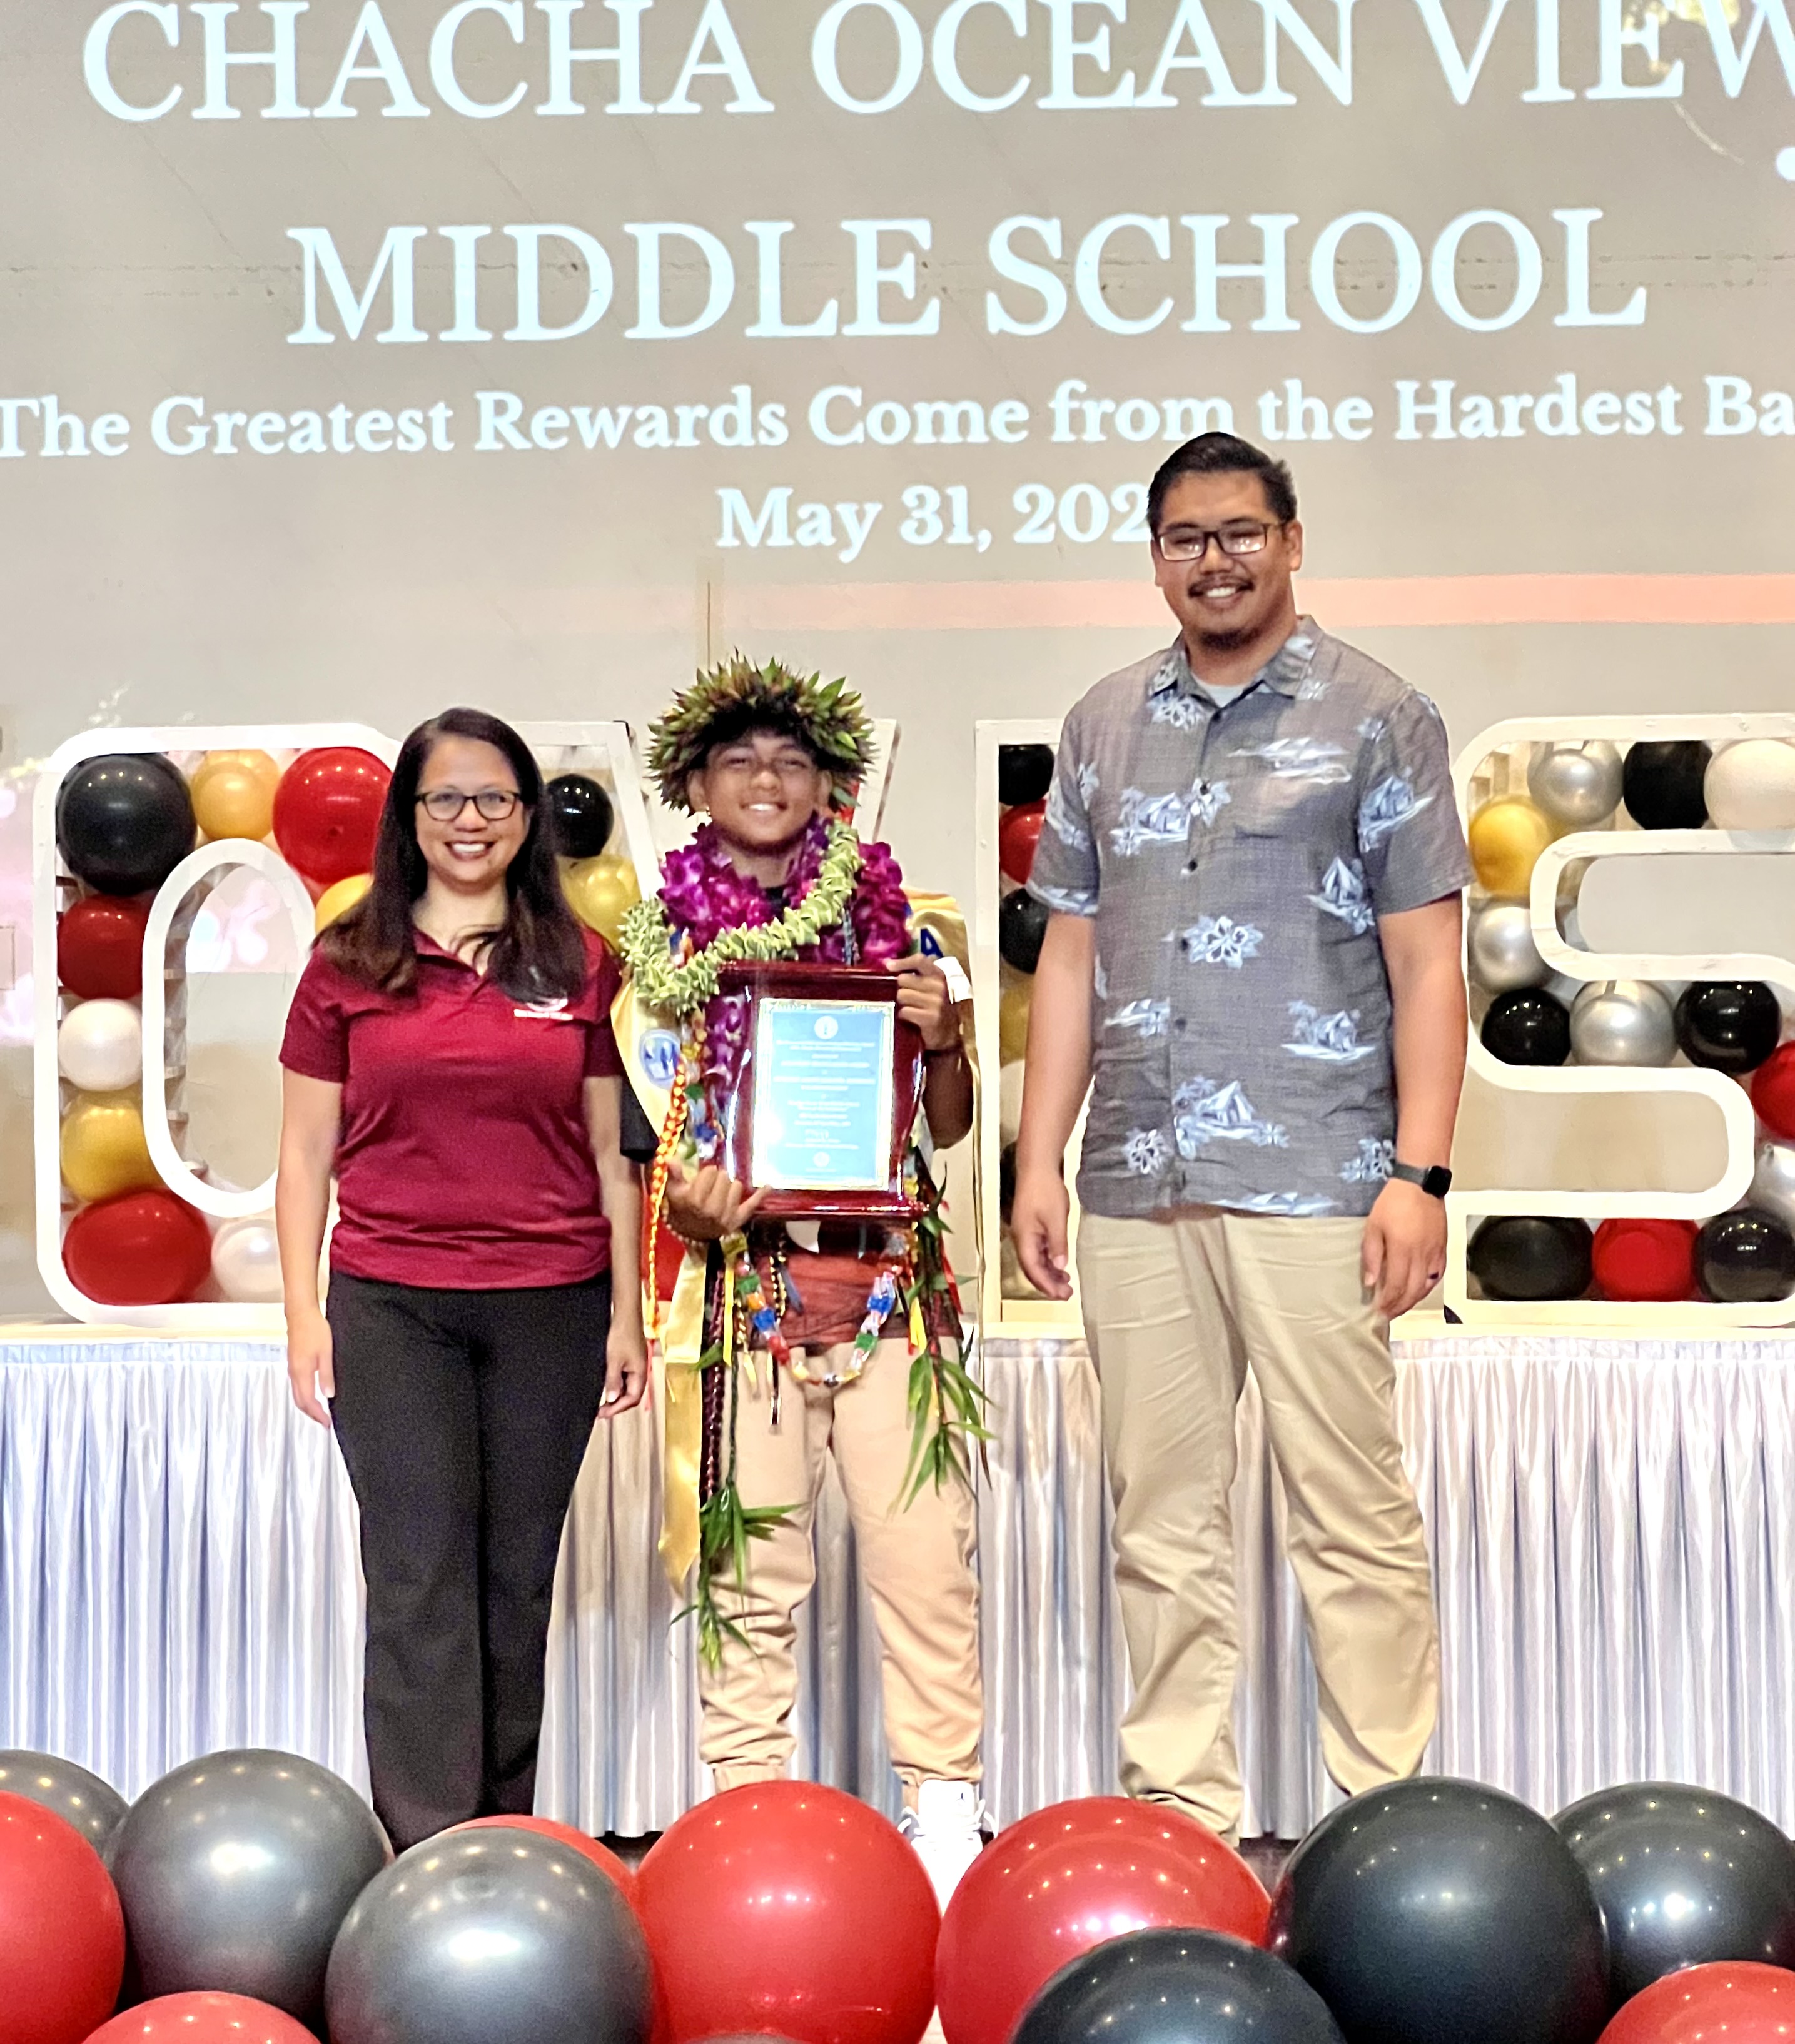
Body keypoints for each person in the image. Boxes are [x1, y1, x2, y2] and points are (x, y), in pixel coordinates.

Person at [1011, 433, 1470, 1843]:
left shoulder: (1377, 714)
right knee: (1160, 1516)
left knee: (1349, 1513)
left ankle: (1383, 1819)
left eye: (1237, 533)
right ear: (1154, 554)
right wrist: (1037, 1157)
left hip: (1321, 1177)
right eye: (1183, 537)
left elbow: (1429, 967)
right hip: (1134, 1180)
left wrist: (1420, 1172)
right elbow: (1071, 962)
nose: (1211, 560)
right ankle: (1180, 1819)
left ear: (1287, 538)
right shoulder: (1098, 724)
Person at [615, 655, 986, 1902]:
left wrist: (946, 1037)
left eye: (790, 761)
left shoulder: (912, 928)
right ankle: (746, 1816)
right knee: (751, 1566)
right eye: (740, 762)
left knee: (923, 1557)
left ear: (832, 784)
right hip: (747, 1289)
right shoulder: (659, 949)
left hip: (887, 1283)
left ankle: (943, 1814)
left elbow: (950, 1120)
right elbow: (656, 1135)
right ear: (696, 787)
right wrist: (691, 1197)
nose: (766, 781)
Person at [276, 707, 647, 1851]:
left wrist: (629, 1312)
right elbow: (301, 1154)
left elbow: (613, 1151)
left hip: (555, 1302)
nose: (469, 820)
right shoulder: (347, 962)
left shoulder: (580, 962)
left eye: (494, 798)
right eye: (444, 798)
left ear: (530, 816)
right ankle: (423, 1844)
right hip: (391, 1303)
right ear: (409, 818)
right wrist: (301, 1314)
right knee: (418, 1574)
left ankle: (497, 1837)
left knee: (514, 1580)